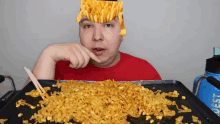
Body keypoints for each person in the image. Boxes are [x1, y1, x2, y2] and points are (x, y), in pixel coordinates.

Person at [24, 0, 162, 86]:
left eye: (108, 25)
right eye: (88, 26)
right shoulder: (56, 68)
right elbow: (25, 111)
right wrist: (49, 53)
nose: (97, 37)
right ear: (79, 32)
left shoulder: (146, 73)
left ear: (122, 34)